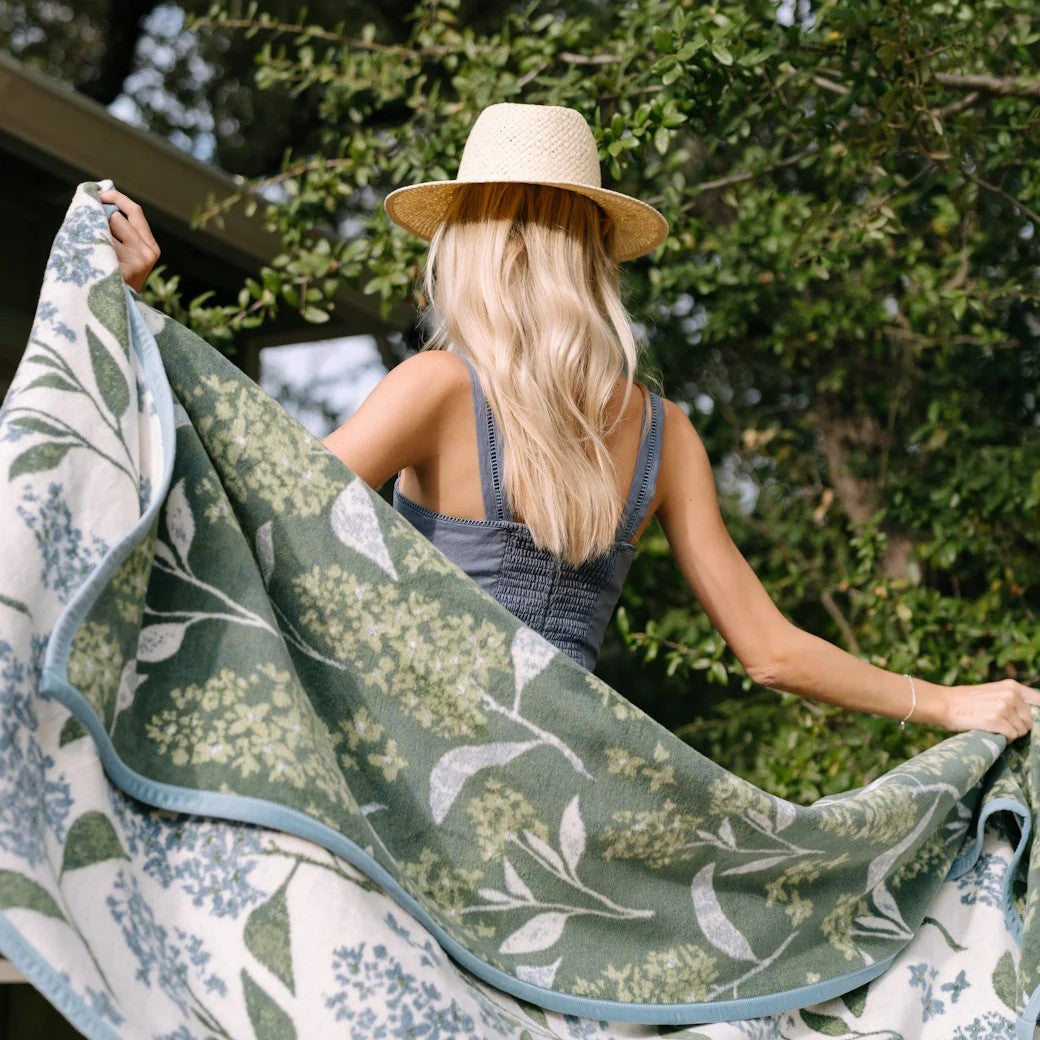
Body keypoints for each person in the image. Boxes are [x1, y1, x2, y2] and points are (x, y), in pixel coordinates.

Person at [101, 102, 1040, 742]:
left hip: (427, 772)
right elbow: (772, 653)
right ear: (592, 259)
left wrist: (135, 318)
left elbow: (244, 504)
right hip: (574, 787)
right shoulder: (667, 434)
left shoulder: (433, 389)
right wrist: (951, 703)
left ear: (476, 247)